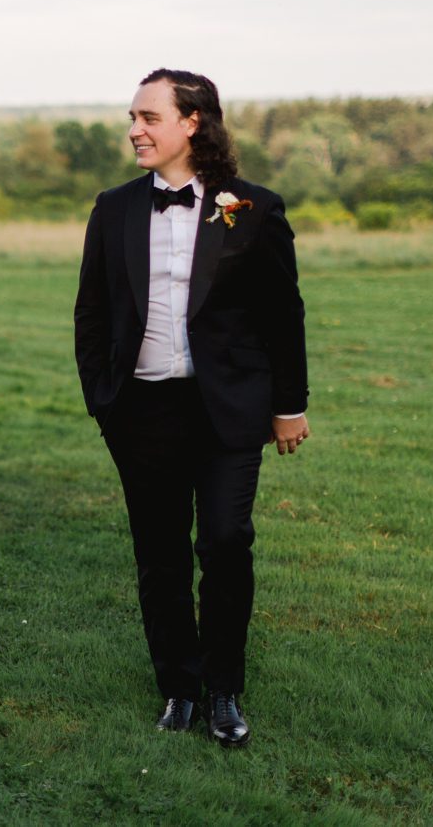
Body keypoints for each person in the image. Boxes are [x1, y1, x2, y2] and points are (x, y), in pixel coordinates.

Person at [73, 67, 310, 746]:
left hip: (229, 410)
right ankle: (179, 687)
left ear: (192, 122)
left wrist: (288, 406)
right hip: (141, 411)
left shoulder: (252, 208)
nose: (134, 130)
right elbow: (91, 313)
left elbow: (282, 315)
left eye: (149, 117)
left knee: (227, 543)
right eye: (133, 117)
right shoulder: (113, 208)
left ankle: (225, 690)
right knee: (161, 555)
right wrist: (104, 402)